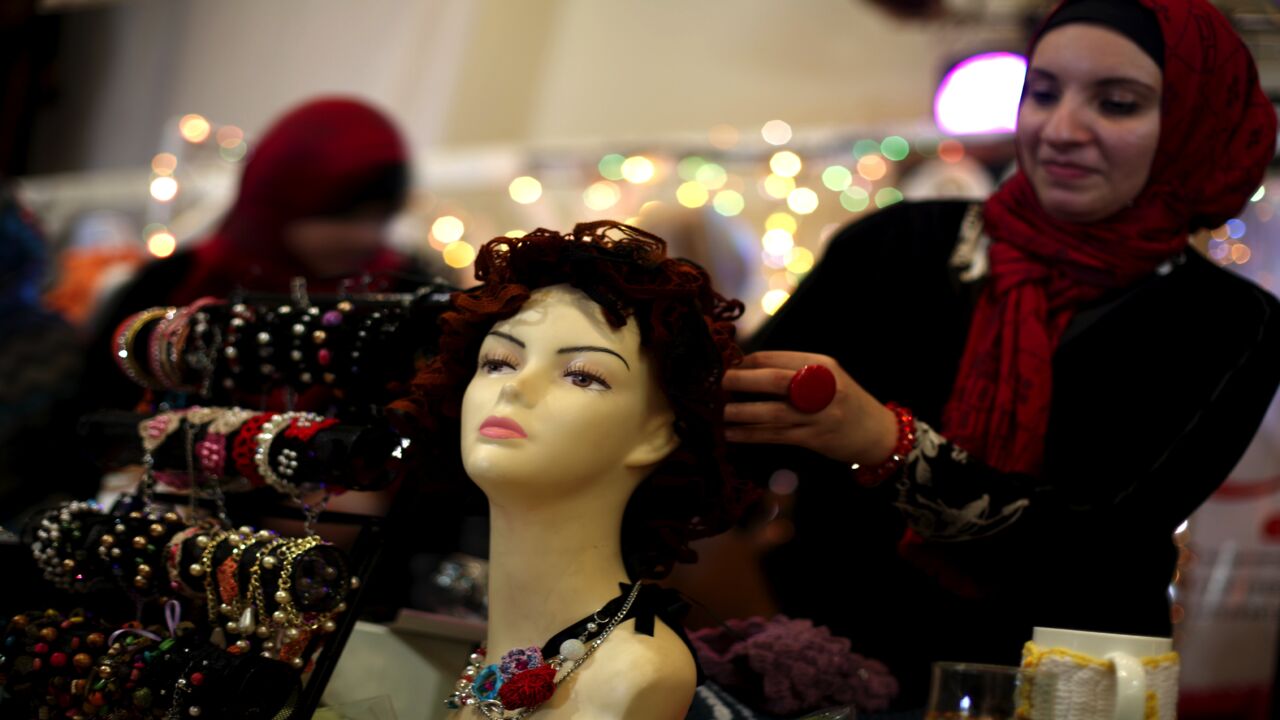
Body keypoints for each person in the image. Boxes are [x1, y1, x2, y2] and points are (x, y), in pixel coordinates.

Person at [720, 0, 1280, 710]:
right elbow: (731, 440)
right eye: (1042, 92)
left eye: (1116, 103)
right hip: (839, 675)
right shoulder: (898, 246)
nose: (1061, 129)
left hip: (1059, 688)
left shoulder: (1226, 321)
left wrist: (885, 442)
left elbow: (1096, 544)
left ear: (1192, 127)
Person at [390, 221, 747, 717]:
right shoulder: (490, 661)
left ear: (658, 433)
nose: (515, 388)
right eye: (498, 362)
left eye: (582, 375)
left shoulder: (635, 678)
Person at [80, 96, 431, 414]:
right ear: (276, 202)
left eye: (381, 217)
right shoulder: (176, 284)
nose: (366, 237)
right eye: (342, 216)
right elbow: (91, 419)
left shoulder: (408, 293)